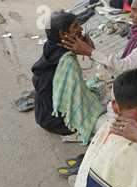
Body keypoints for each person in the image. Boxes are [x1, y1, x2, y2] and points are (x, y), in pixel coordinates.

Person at [62, 0, 137, 120]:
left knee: (115, 104)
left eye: (135, 11)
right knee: (114, 93)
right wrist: (93, 51)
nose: (130, 15)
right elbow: (123, 57)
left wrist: (90, 52)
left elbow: (124, 68)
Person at [31, 10, 106, 145]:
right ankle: (72, 132)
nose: (81, 29)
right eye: (75, 27)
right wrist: (91, 51)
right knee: (108, 123)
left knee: (101, 86)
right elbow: (79, 102)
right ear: (62, 34)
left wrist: (89, 49)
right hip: (57, 121)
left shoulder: (52, 44)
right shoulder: (68, 62)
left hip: (42, 113)